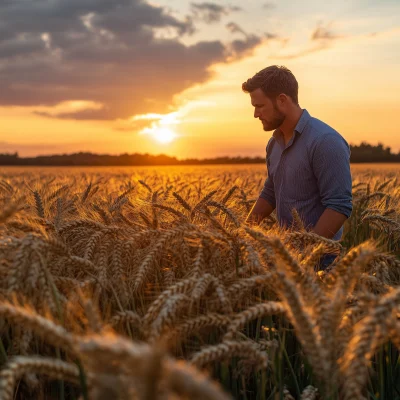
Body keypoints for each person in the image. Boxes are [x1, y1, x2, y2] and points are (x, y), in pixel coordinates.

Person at [242, 65, 352, 270]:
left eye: (260, 106)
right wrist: (243, 233)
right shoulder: (274, 144)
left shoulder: (326, 141)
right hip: (286, 258)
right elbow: (271, 191)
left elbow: (339, 206)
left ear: (282, 100)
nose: (255, 114)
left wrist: (307, 256)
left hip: (321, 263)